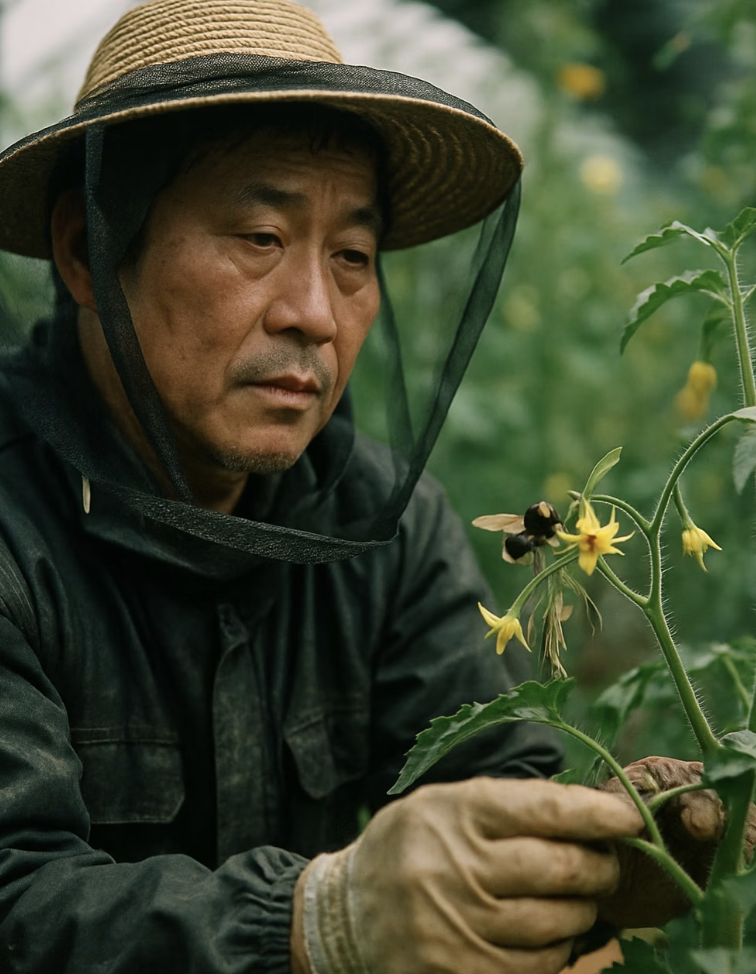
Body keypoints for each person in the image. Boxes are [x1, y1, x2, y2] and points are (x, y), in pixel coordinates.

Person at [0, 1, 716, 972]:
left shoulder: (382, 523)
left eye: (352, 257)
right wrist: (317, 916)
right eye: (259, 236)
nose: (315, 314)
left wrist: (597, 853)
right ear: (88, 249)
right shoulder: (16, 530)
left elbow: (494, 775)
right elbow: (19, 896)